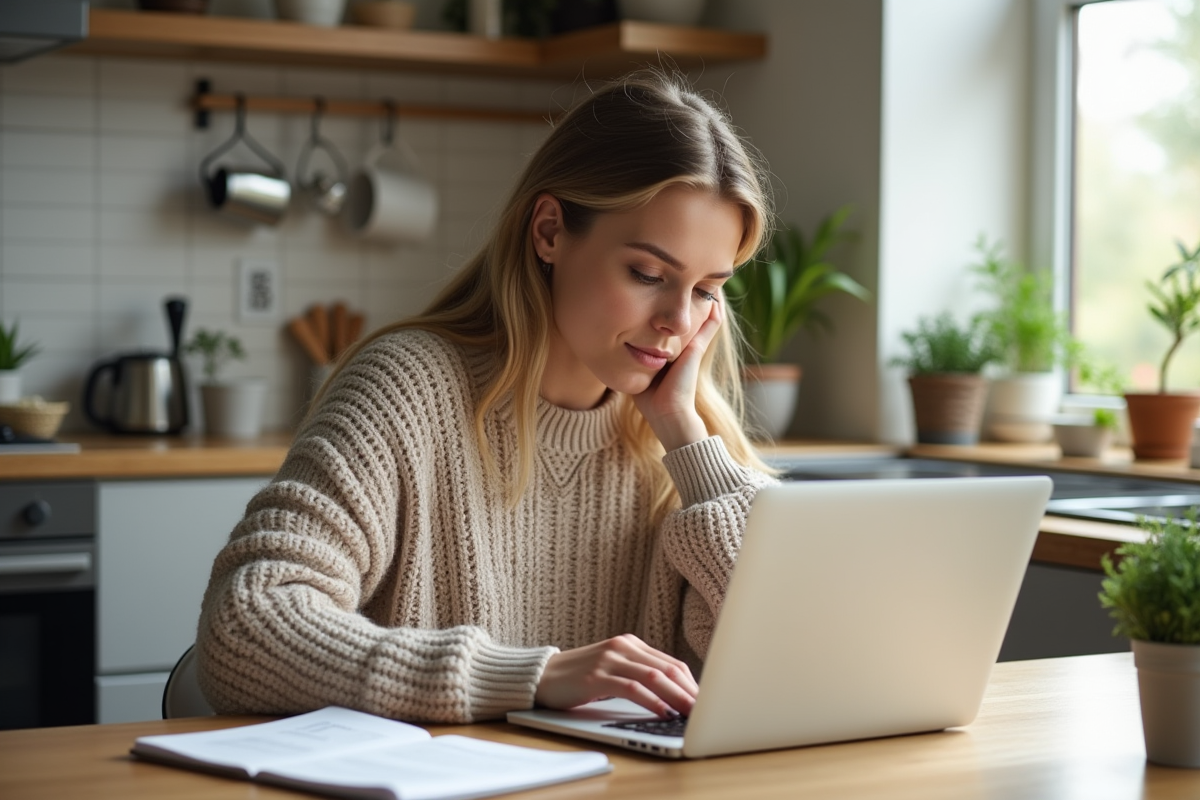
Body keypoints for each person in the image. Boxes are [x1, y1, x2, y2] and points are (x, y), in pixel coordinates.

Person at [195, 68, 779, 725]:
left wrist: (689, 443)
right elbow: (243, 626)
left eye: (706, 290)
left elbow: (796, 666)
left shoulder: (694, 452)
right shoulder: (406, 389)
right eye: (648, 273)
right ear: (550, 231)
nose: (678, 320)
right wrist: (529, 677)